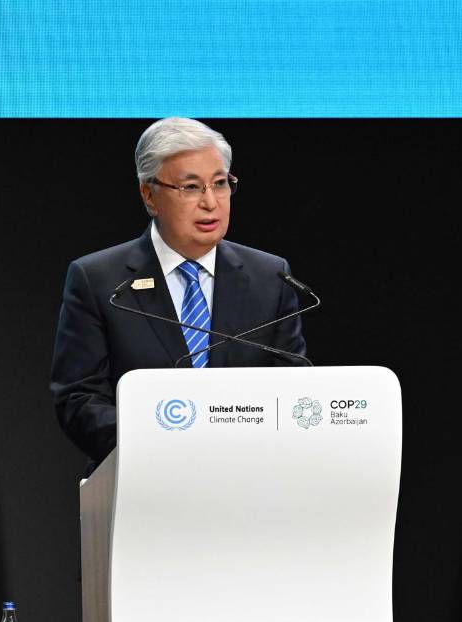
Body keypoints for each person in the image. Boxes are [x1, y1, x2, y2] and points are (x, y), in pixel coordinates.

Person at [50, 117, 307, 465]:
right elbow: (79, 398)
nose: (210, 202)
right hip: (146, 484)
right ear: (149, 194)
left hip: (248, 479)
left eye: (220, 183)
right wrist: (161, 449)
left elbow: (290, 392)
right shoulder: (99, 280)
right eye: (190, 187)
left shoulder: (270, 277)